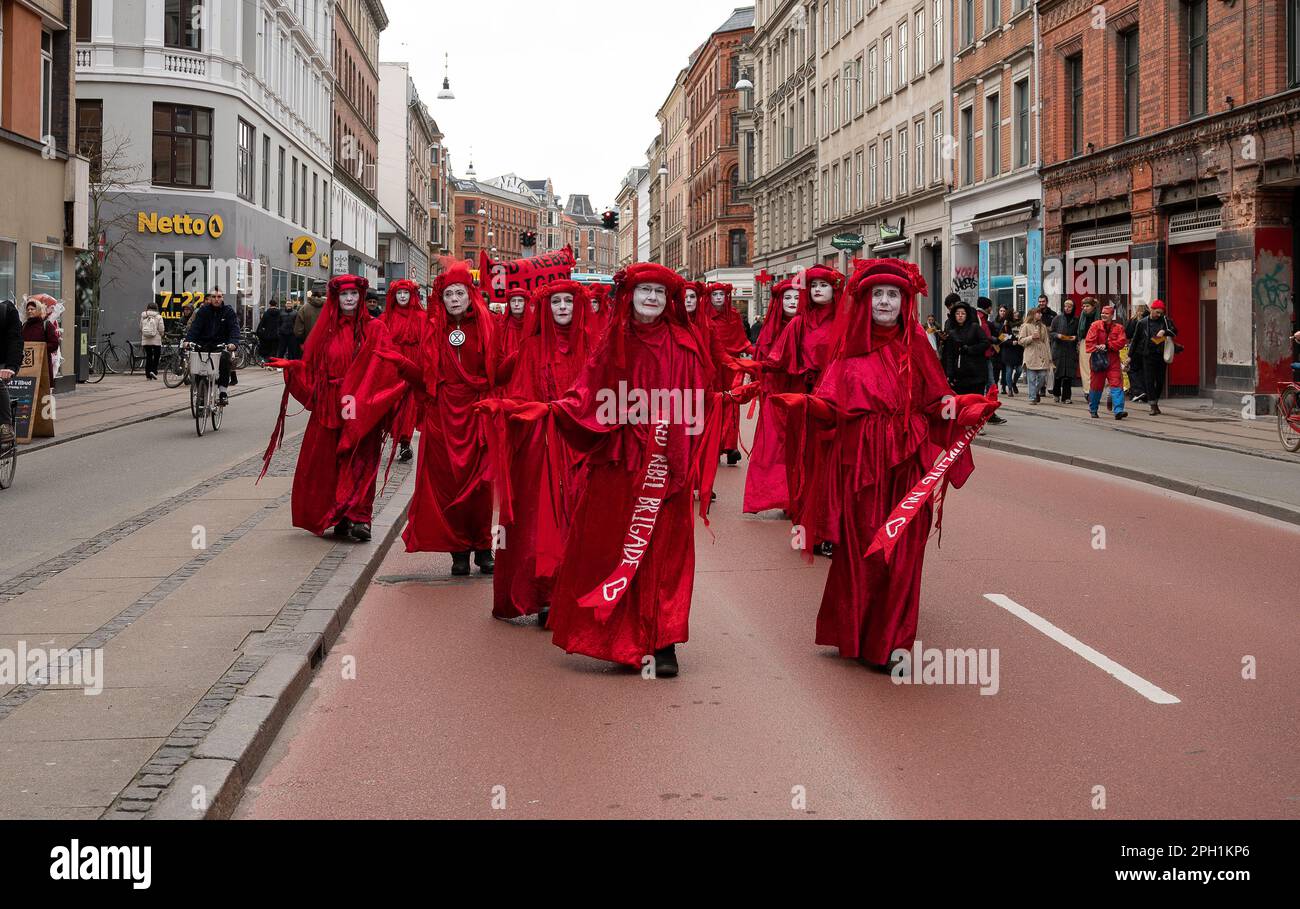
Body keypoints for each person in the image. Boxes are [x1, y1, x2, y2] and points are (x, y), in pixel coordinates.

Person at [772, 259, 997, 669]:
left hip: (908, 465)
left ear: (904, 302)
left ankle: (892, 642)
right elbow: (831, 408)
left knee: (905, 550)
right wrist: (804, 405)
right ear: (865, 301)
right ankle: (856, 634)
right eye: (879, 294)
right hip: (861, 468)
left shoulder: (918, 349)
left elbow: (936, 403)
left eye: (894, 295)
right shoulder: (846, 353)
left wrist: (966, 407)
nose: (886, 302)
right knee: (864, 552)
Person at [503, 263, 725, 678]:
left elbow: (698, 400)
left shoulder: (684, 342)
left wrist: (678, 446)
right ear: (631, 297)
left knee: (665, 552)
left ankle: (664, 641)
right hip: (620, 463)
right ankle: (620, 639)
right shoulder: (612, 342)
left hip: (665, 462)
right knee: (614, 544)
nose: (653, 299)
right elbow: (586, 395)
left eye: (660, 292)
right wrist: (552, 411)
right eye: (646, 292)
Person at [478, 280, 593, 625]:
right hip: (541, 447)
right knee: (541, 524)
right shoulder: (530, 348)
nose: (561, 307)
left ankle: (575, 592)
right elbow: (522, 394)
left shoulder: (592, 345)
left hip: (581, 445)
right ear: (546, 307)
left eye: (567, 302)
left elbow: (598, 394)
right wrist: (502, 408)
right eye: (555, 301)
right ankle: (545, 596)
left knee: (580, 519)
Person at [263, 275, 402, 542]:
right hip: (330, 404)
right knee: (330, 461)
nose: (349, 299)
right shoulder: (326, 330)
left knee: (360, 460)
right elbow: (313, 366)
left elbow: (385, 366)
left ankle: (361, 518)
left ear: (361, 298)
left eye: (354, 294)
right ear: (336, 298)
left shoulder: (375, 329)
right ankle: (339, 514)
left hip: (361, 406)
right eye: (344, 294)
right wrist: (293, 367)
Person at [401, 265, 497, 577]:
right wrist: (399, 364)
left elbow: (496, 372)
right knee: (449, 486)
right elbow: (424, 377)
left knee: (482, 487)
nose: (454, 299)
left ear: (470, 296)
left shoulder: (487, 326)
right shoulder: (433, 329)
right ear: (441, 299)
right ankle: (458, 551)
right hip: (443, 416)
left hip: (477, 414)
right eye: (448, 294)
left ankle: (484, 547)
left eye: (459, 293)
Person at [742, 277, 802, 515]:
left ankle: (797, 498)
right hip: (774, 396)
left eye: (797, 297)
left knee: (799, 447)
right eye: (787, 297)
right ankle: (778, 496)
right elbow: (761, 359)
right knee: (774, 446)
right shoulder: (770, 328)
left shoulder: (809, 326)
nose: (792, 302)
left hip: (800, 395)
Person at [705, 281, 754, 465]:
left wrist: (757, 353)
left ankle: (730, 446)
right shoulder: (704, 317)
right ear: (709, 297)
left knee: (732, 403)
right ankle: (714, 445)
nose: (718, 298)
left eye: (722, 295)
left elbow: (742, 340)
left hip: (731, 367)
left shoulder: (733, 316)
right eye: (715, 295)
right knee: (712, 404)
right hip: (711, 368)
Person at [379, 279, 427, 463]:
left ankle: (405, 441)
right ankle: (392, 434)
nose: (402, 296)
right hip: (392, 367)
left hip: (413, 364)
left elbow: (426, 344)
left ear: (412, 295)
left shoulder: (421, 317)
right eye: (399, 293)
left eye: (406, 293)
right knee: (391, 403)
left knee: (409, 405)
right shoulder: (386, 318)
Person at [184, 287, 240, 405]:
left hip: (221, 345)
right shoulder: (203, 311)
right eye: (213, 297)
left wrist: (233, 343)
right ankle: (201, 393)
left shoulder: (228, 311)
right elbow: (195, 328)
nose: (216, 299)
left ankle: (223, 392)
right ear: (209, 298)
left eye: (219, 296)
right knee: (199, 366)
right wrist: (188, 341)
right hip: (204, 344)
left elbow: (234, 329)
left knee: (225, 361)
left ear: (222, 298)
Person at [1129, 299, 1178, 415]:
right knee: (1149, 380)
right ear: (1151, 309)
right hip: (1147, 355)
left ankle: (1155, 400)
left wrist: (1165, 331)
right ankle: (1153, 405)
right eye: (1157, 312)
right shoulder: (1142, 323)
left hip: (1161, 355)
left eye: (1161, 313)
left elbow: (1175, 331)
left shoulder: (1165, 321)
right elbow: (1135, 340)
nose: (1159, 315)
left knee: (1160, 380)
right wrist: (1130, 356)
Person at [1085, 303, 1128, 421]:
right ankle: (1093, 409)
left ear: (1112, 315)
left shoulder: (1118, 328)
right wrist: (1097, 347)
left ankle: (1118, 410)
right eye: (1102, 313)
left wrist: (1107, 346)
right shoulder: (1095, 326)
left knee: (1116, 384)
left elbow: (1122, 342)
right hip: (1098, 360)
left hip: (1112, 359)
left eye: (1106, 313)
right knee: (1096, 386)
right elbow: (1089, 342)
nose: (1103, 315)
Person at [941, 301, 990, 395]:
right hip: (960, 376)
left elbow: (985, 343)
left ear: (967, 315)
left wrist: (969, 349)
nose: (960, 316)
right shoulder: (952, 333)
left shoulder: (974, 327)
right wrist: (949, 374)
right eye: (957, 313)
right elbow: (949, 355)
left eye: (963, 313)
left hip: (976, 373)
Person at [1017, 307, 1052, 404]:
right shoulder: (1026, 326)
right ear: (1032, 314)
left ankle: (1035, 392)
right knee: (1031, 378)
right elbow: (1021, 341)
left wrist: (1049, 357)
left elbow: (1046, 342)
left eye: (1040, 313)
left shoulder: (1043, 326)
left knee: (1043, 376)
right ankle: (1032, 397)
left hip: (1042, 353)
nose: (1040, 315)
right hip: (1031, 354)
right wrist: (1031, 337)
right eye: (1038, 313)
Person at [1049, 299, 1080, 404]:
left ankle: (1067, 397)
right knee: (1058, 373)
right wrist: (1057, 335)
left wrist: (1075, 337)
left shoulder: (1076, 320)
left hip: (1071, 350)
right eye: (1065, 306)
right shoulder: (1057, 318)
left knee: (1069, 375)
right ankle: (1056, 394)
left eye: (1069, 307)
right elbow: (1051, 332)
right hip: (1059, 350)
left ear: (1073, 308)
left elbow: (1079, 334)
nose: (1067, 308)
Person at [22, 297, 60, 382]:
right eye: (28, 309)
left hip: (42, 364)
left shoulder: (46, 325)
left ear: (38, 310)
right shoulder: (25, 325)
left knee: (43, 390)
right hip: (28, 364)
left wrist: (39, 348)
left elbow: (54, 344)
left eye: (32, 309)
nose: (30, 311)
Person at [0, 298, 21, 446]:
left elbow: (15, 340)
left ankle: (5, 426)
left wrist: (11, 367)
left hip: (3, 363)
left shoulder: (6, 310)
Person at [991, 305, 1022, 396]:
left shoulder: (1021, 324)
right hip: (1008, 350)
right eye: (1014, 313)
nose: (1016, 314)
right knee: (1008, 370)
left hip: (1018, 351)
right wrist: (1011, 342)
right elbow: (1001, 338)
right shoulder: (1006, 326)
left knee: (1019, 370)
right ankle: (1009, 389)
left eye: (1017, 313)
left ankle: (1013, 383)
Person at [1124, 303, 1149, 401]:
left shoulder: (1134, 320)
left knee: (1132, 369)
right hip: (1148, 349)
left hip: (1135, 349)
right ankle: (1146, 392)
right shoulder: (1149, 319)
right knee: (1144, 371)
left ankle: (1138, 391)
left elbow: (1128, 334)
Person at [139, 302, 166, 380]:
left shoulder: (143, 316)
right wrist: (161, 334)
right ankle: (153, 371)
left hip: (146, 339)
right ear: (156, 308)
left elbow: (141, 327)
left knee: (149, 356)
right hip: (156, 340)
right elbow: (161, 328)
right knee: (157, 356)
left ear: (148, 308)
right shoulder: (158, 316)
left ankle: (148, 375)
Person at [1076, 297, 1099, 389]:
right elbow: (1080, 330)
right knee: (1085, 366)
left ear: (1093, 306)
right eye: (1084, 306)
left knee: (1096, 366)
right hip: (1085, 341)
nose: (1085, 308)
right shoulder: (1082, 315)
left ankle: (1095, 388)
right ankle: (1087, 390)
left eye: (1087, 306)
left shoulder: (1098, 315)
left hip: (1097, 342)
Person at [255, 299, 282, 365]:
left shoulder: (266, 313)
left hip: (268, 335)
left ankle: (269, 362)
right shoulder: (280, 313)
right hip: (277, 335)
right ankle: (274, 363)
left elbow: (262, 324)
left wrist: (259, 332)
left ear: (270, 305)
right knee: (275, 349)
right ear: (276, 305)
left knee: (268, 349)